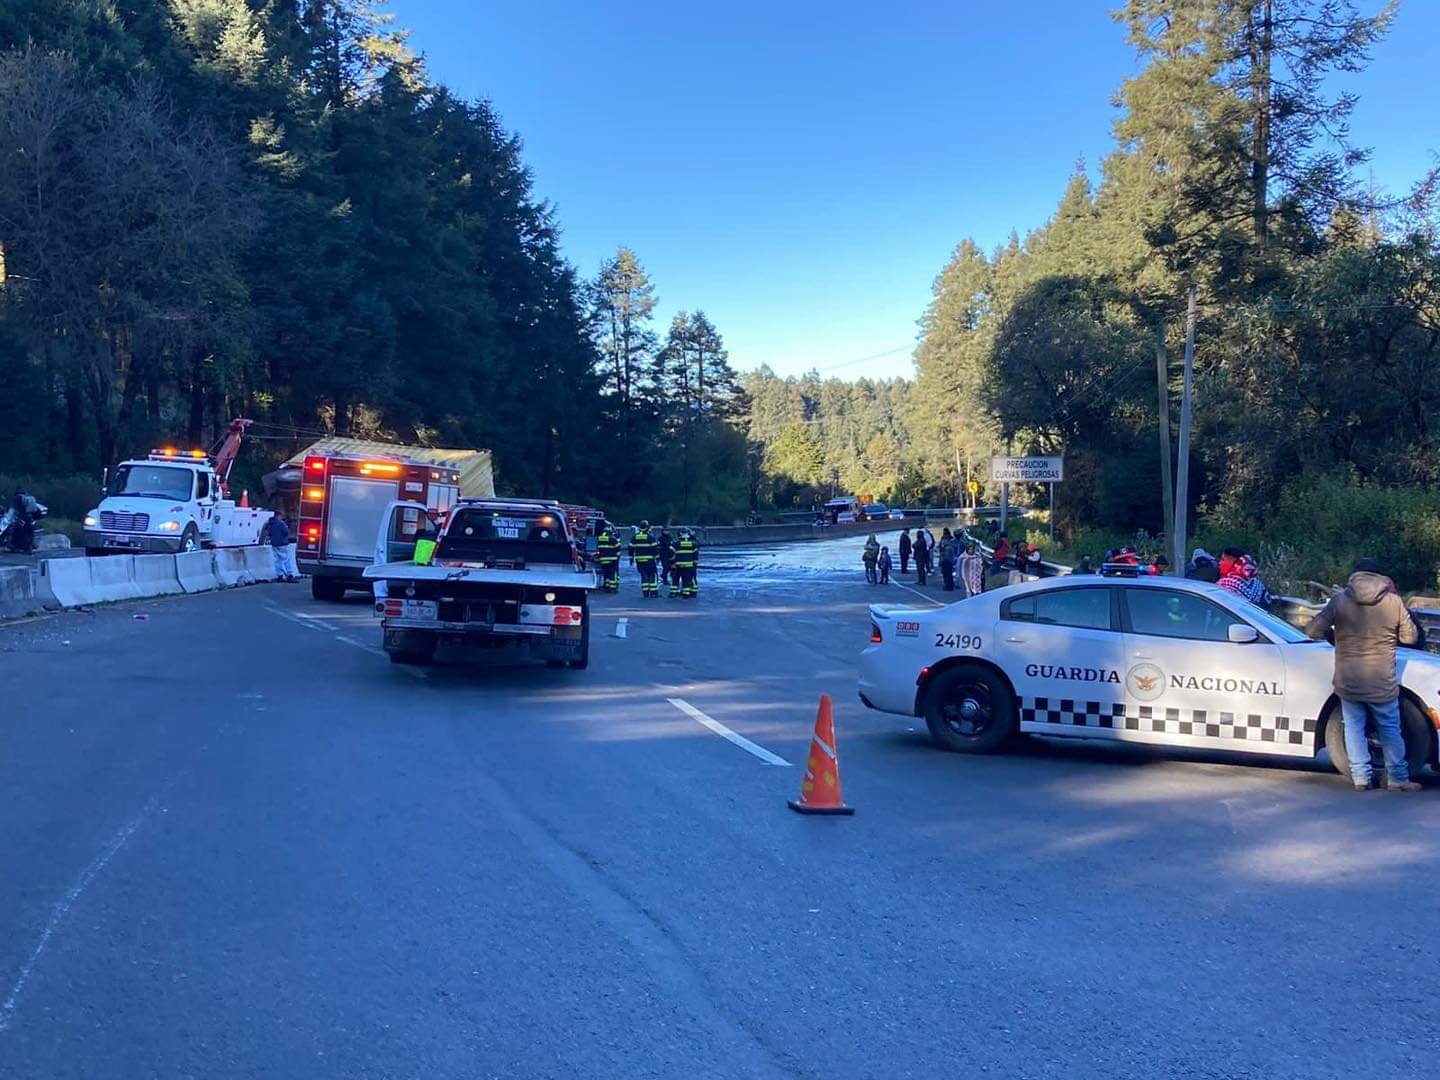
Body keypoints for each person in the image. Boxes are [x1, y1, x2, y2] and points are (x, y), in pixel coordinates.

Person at [1306, 558, 1422, 792]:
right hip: (1381, 680)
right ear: (1380, 577)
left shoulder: (1339, 601)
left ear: (1355, 576)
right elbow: (1410, 638)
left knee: (1353, 727)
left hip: (1348, 679)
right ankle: (1398, 779)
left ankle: (1361, 778)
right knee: (1390, 728)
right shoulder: (1393, 602)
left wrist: (1335, 635)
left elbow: (1312, 630)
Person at [1, 488, 45, 553]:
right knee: (27, 532)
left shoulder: (18, 498)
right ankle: (26, 548)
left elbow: (13, 510)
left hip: (23, 517)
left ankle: (17, 546)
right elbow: (36, 510)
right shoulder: (30, 499)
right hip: (30, 518)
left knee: (18, 530)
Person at [264, 511, 299, 580]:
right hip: (282, 544)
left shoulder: (270, 523)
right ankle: (289, 574)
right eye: (281, 516)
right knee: (286, 559)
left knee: (277, 560)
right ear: (278, 516)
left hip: (274, 544)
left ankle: (279, 575)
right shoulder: (281, 523)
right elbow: (286, 532)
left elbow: (268, 533)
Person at [629, 520, 659, 598]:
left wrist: (631, 559)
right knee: (652, 575)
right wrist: (657, 557)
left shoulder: (635, 537)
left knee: (643, 576)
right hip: (649, 560)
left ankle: (645, 593)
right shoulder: (650, 537)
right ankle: (653, 592)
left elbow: (631, 549)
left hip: (639, 560)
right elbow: (654, 549)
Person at [671, 529, 699, 598]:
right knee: (687, 579)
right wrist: (695, 564)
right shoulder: (693, 544)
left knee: (675, 579)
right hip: (689, 565)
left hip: (678, 565)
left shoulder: (675, 544)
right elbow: (696, 555)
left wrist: (672, 563)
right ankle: (686, 593)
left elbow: (671, 555)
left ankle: (673, 593)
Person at [594, 521, 621, 593]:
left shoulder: (599, 539)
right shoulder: (612, 539)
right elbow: (617, 548)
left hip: (603, 559)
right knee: (612, 573)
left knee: (606, 573)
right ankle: (612, 588)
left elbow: (598, 550)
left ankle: (606, 585)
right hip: (612, 559)